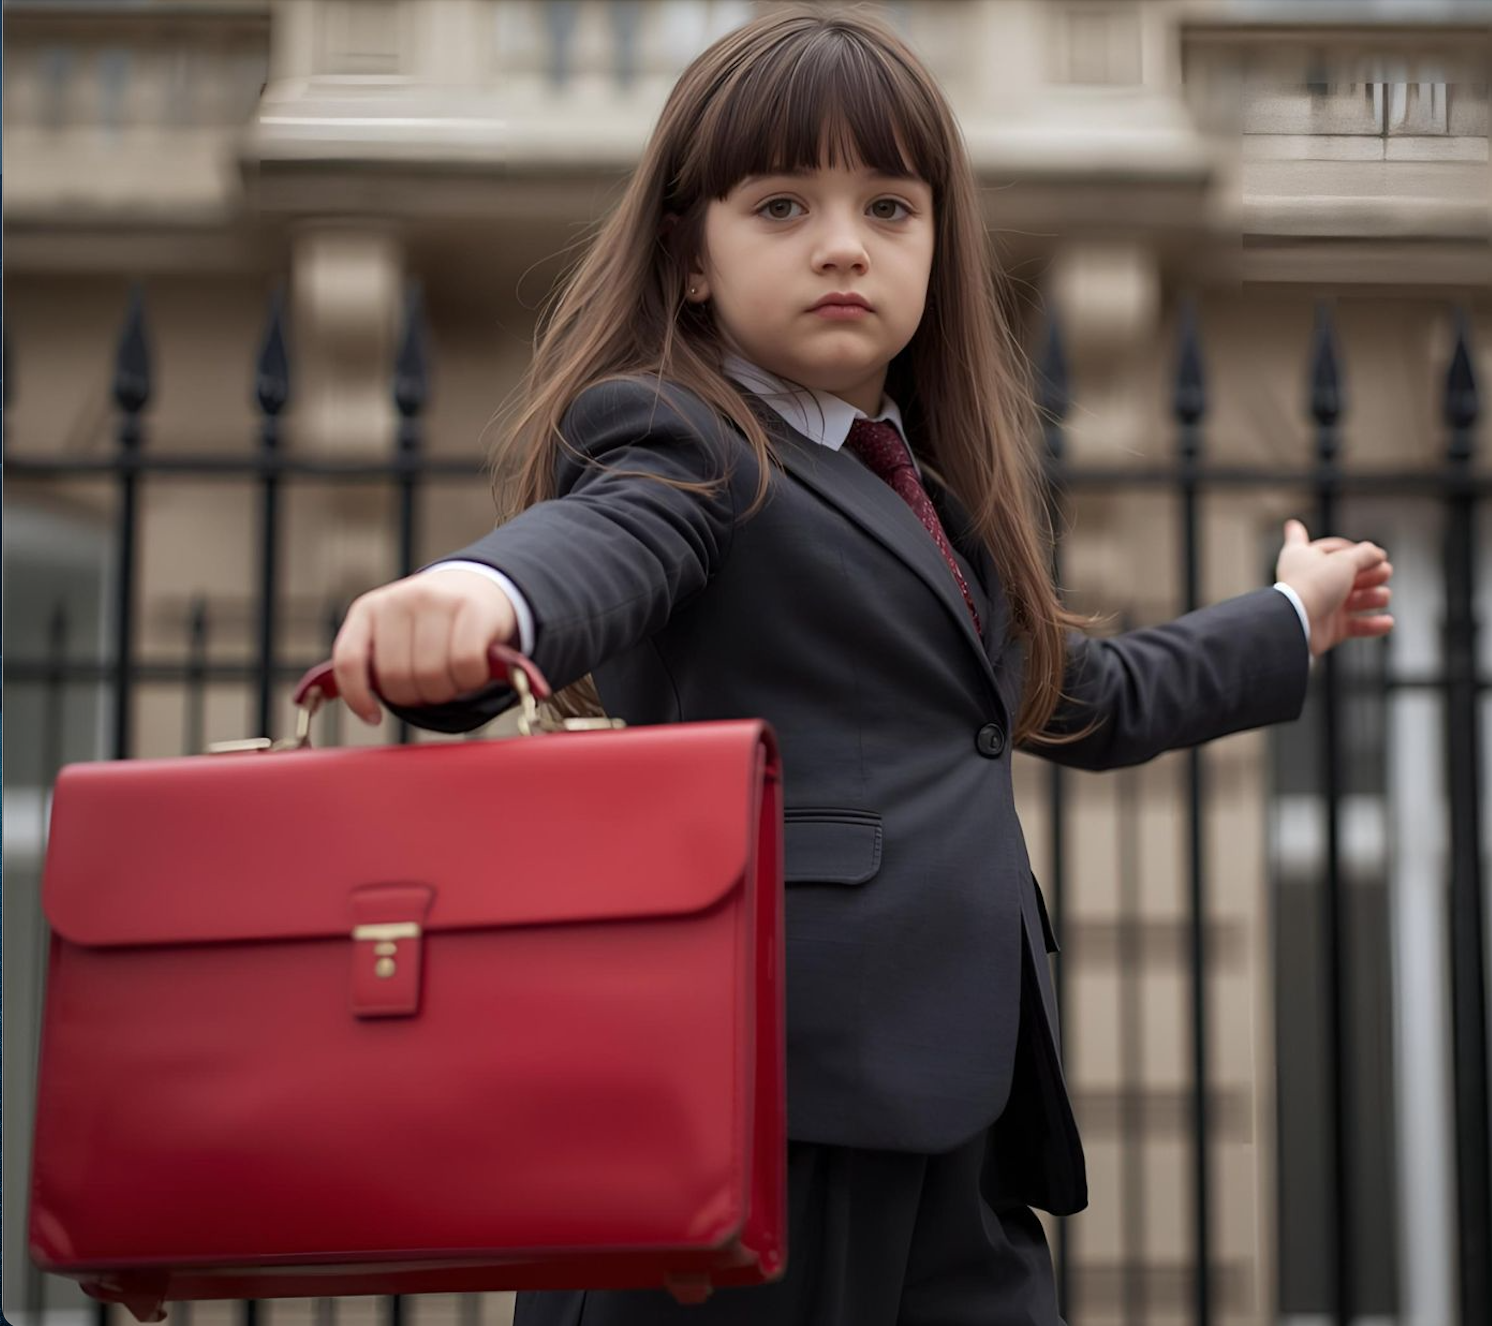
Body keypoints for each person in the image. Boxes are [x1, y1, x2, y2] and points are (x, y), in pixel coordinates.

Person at [327, 8, 1394, 1324]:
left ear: (938, 246)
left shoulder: (937, 506)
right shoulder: (678, 438)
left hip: (966, 1121)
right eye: (782, 204)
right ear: (693, 254)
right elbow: (606, 538)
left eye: (890, 206)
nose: (844, 244)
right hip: (769, 1112)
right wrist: (481, 593)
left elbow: (1084, 696)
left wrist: (1288, 616)